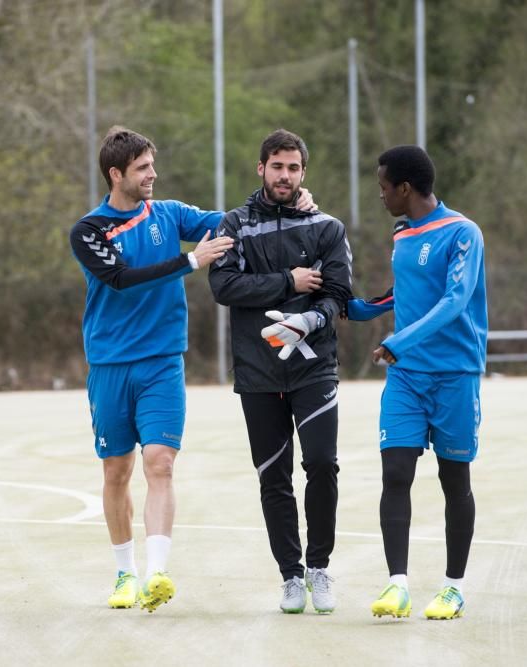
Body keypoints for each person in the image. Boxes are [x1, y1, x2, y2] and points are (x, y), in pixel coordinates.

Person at [69, 126, 315, 613]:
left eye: (152, 165)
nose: (152, 174)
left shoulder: (169, 214)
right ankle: (125, 572)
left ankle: (157, 573)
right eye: (142, 168)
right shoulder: (89, 231)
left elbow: (235, 222)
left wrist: (286, 198)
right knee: (117, 470)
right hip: (109, 364)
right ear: (117, 174)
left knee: (159, 462)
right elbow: (120, 279)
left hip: (162, 361)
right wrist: (189, 261)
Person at [209, 129, 352, 614]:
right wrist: (287, 282)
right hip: (258, 375)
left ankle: (319, 568)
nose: (285, 175)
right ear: (261, 169)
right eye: (277, 166)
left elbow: (338, 295)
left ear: (303, 173)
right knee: (274, 479)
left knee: (322, 466)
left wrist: (312, 317)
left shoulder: (327, 227)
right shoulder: (236, 223)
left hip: (314, 370)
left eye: (293, 168)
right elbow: (225, 286)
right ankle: (291, 576)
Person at [355, 144, 487, 621]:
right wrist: (347, 306)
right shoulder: (402, 233)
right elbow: (402, 293)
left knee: (455, 481)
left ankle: (453, 587)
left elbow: (454, 300)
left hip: (454, 376)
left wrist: (399, 340)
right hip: (407, 377)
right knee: (395, 474)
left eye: (384, 187)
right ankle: (398, 585)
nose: (381, 195)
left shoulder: (463, 232)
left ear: (405, 188)